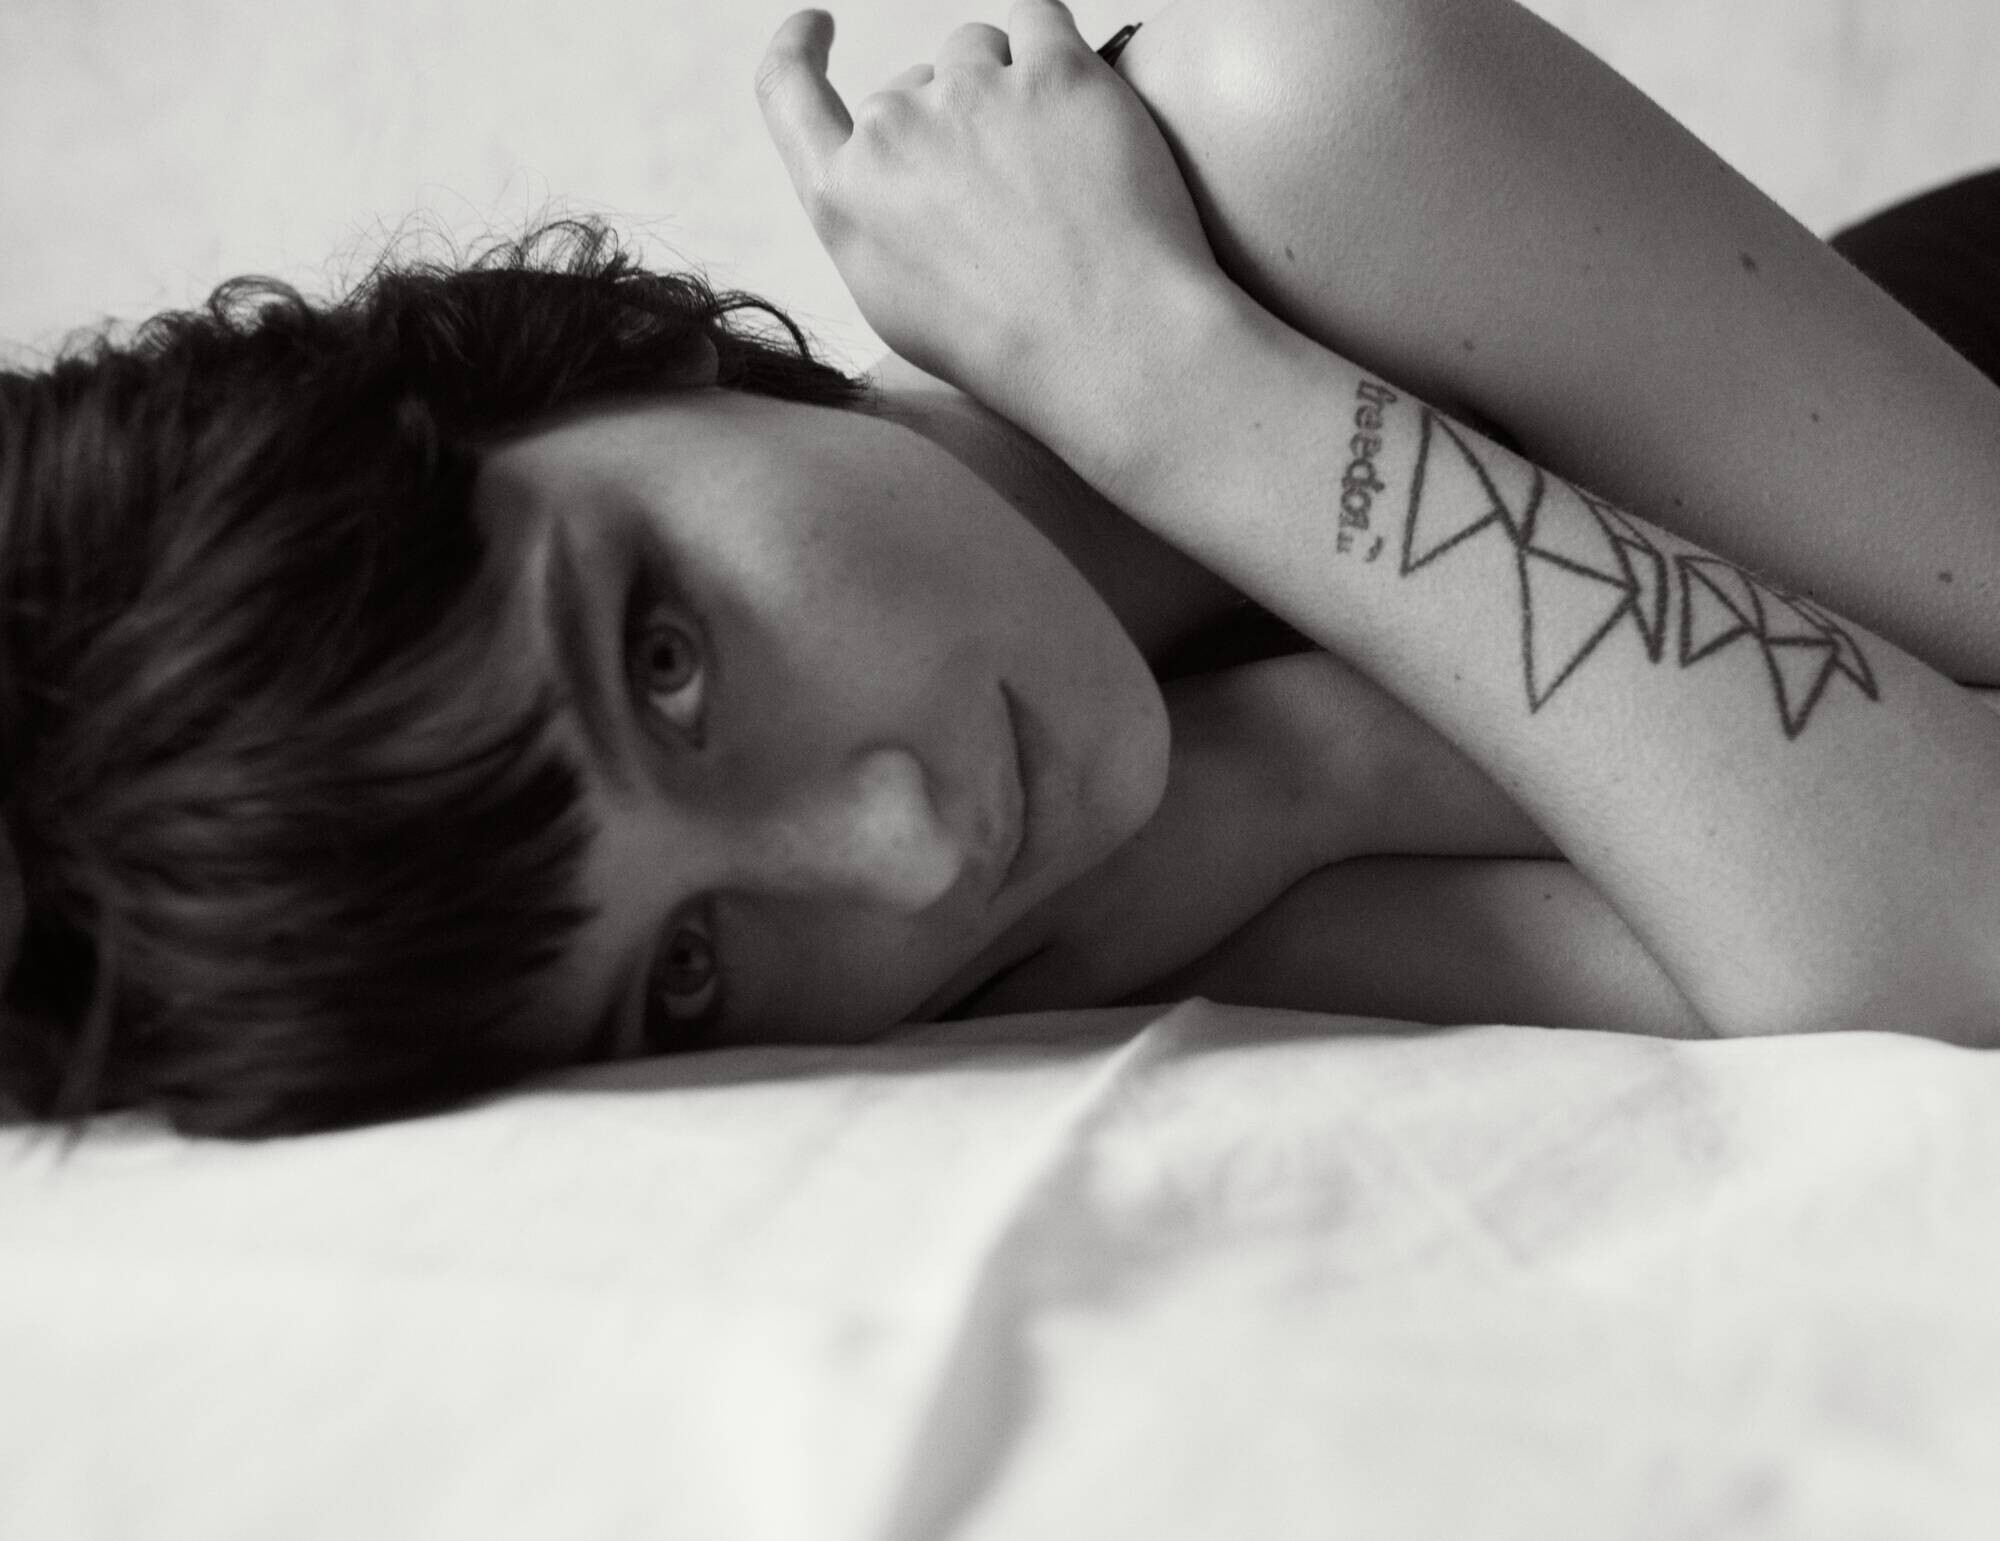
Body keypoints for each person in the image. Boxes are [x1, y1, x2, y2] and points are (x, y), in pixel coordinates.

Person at [4, 0, 1999, 1138]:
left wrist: (1195, 394)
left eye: (668, 661)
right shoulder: (1040, 915)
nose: (899, 844)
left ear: (578, 371)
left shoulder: (1294, 133)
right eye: (682, 974)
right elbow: (1938, 959)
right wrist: (1302, 770)